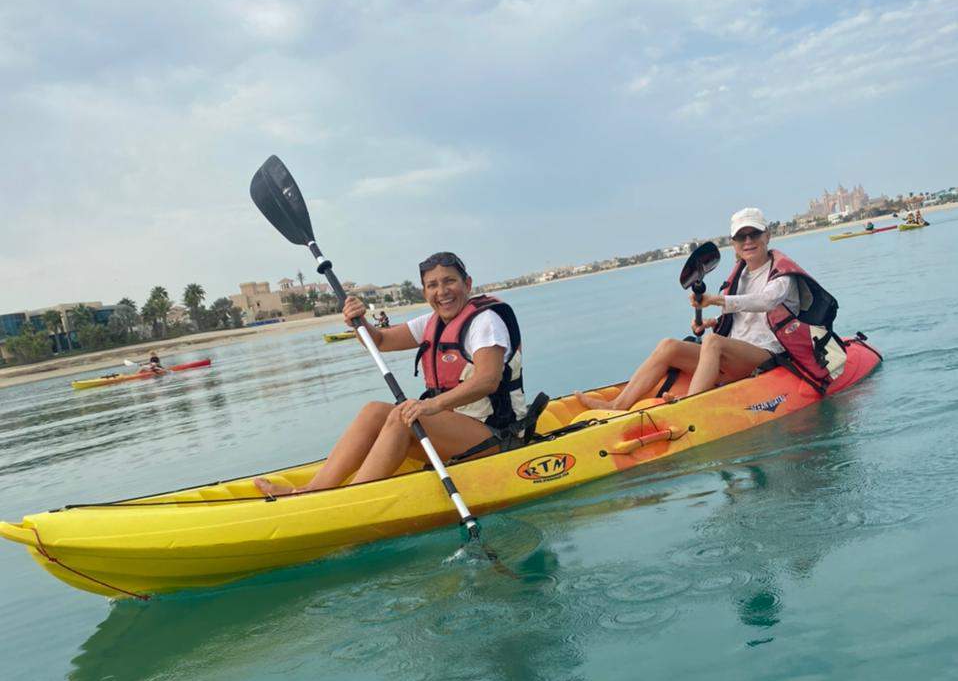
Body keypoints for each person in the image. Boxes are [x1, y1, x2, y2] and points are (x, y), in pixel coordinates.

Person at [254, 253, 526, 495]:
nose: (442, 291)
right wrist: (359, 323)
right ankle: (312, 490)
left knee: (403, 415)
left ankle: (352, 500)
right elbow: (381, 341)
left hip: (496, 434)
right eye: (432, 285)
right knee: (374, 410)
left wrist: (431, 405)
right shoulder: (433, 322)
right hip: (457, 429)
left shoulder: (485, 322)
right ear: (424, 292)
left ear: (467, 284)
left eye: (449, 281)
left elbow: (488, 380)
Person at [577, 207, 840, 410]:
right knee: (669, 344)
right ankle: (618, 405)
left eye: (754, 234)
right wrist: (712, 321)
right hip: (735, 350)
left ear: (767, 236)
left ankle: (690, 407)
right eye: (741, 236)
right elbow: (742, 315)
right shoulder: (740, 274)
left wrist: (716, 301)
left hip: (767, 354)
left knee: (712, 343)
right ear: (733, 243)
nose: (748, 241)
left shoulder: (783, 275)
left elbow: (766, 300)